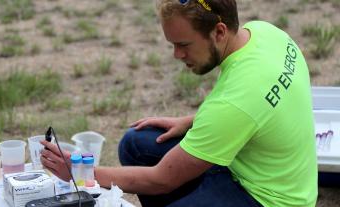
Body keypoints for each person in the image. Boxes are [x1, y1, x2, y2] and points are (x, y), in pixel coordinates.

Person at [40, 0, 318, 206]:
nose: (176, 54)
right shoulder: (263, 33)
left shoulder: (234, 104)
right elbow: (256, 108)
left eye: (183, 44)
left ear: (219, 32)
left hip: (268, 199)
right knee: (136, 143)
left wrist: (79, 172)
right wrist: (191, 122)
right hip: (262, 167)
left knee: (159, 175)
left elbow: (162, 179)